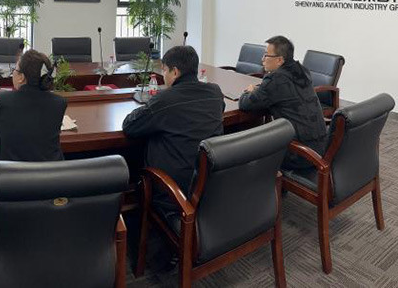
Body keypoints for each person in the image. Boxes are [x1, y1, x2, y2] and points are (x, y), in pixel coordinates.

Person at [121, 45, 224, 212]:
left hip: (173, 192)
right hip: (209, 186)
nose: (163, 76)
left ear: (175, 72)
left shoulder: (165, 99)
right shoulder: (215, 92)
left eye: (164, 70)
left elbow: (130, 126)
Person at [239, 35, 328, 170]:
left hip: (300, 154)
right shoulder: (302, 70)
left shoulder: (276, 79)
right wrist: (263, 90)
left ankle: (259, 180)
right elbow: (284, 93)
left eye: (266, 55)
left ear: (280, 60)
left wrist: (249, 91)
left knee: (249, 147)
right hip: (320, 146)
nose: (262, 59)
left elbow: (245, 104)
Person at [0, 49, 67, 162]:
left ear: (21, 77)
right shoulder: (59, 103)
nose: (13, 73)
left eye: (14, 70)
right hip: (50, 172)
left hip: (13, 172)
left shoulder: (4, 100)